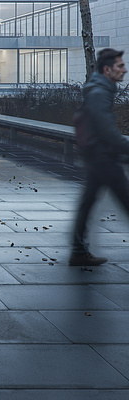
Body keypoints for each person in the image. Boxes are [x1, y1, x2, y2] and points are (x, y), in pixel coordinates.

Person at [71, 48, 129, 266]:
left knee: (87, 203)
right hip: (103, 156)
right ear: (107, 69)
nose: (124, 70)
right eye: (120, 66)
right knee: (126, 200)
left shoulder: (101, 89)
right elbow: (106, 131)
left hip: (98, 155)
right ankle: (77, 250)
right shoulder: (99, 93)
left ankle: (78, 251)